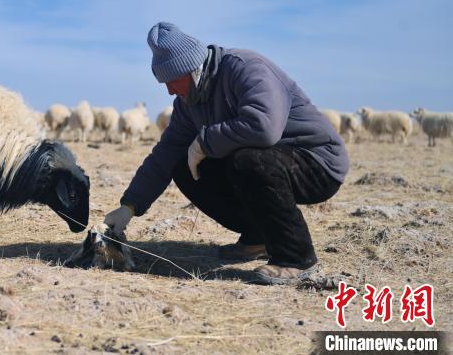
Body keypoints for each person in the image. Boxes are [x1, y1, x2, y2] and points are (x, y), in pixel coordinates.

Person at [104, 22, 349, 285]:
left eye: (172, 81)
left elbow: (264, 128)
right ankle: (258, 237)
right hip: (268, 162)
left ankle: (296, 259)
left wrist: (206, 141)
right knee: (182, 166)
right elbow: (165, 153)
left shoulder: (246, 68)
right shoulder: (188, 103)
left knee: (248, 161)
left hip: (316, 162)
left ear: (190, 70)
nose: (169, 90)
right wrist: (129, 206)